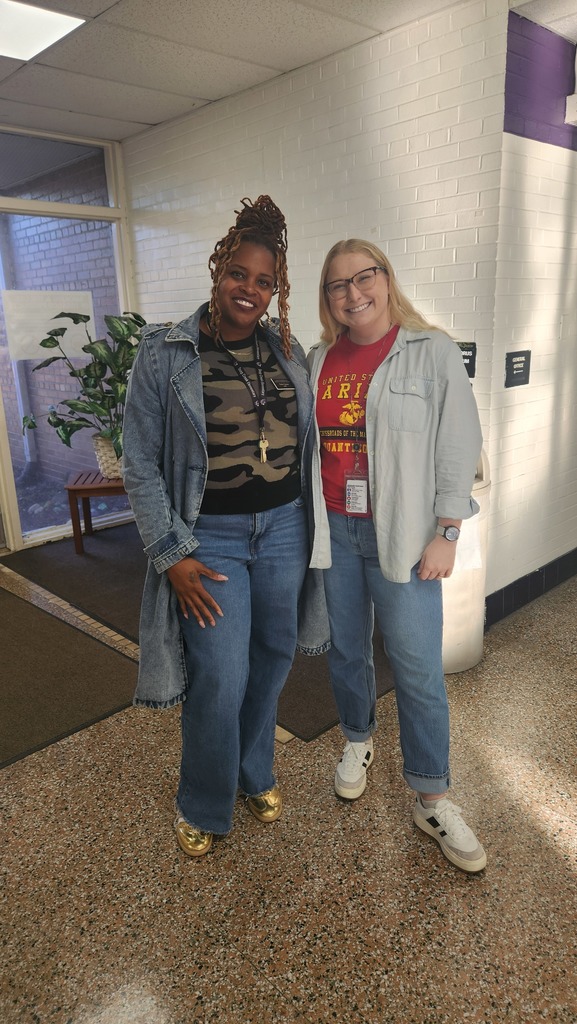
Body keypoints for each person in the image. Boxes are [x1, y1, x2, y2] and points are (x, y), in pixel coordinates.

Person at [122, 196, 315, 857]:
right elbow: (139, 462)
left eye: (265, 282)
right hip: (214, 540)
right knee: (222, 675)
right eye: (240, 274)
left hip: (285, 528)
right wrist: (169, 550)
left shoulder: (287, 353)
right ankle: (201, 798)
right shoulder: (165, 351)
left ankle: (252, 768)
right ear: (217, 270)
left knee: (271, 658)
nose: (250, 291)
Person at [307, 238, 487, 873]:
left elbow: (459, 440)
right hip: (335, 528)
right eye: (337, 285)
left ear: (386, 279)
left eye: (365, 277)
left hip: (405, 538)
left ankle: (432, 795)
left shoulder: (428, 349)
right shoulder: (318, 360)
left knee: (416, 668)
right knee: (348, 650)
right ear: (326, 298)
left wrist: (449, 530)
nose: (353, 294)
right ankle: (357, 740)